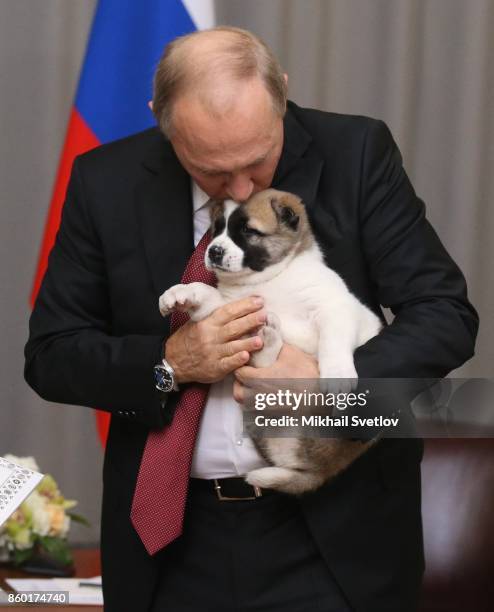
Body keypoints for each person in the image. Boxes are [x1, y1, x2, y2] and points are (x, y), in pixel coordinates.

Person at [24, 26, 478, 612]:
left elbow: (444, 313)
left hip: (334, 539)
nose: (240, 189)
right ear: (162, 122)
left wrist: (329, 387)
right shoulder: (104, 182)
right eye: (212, 171)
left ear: (281, 95)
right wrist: (170, 363)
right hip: (172, 544)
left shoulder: (357, 152)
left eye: (259, 160)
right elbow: (53, 354)